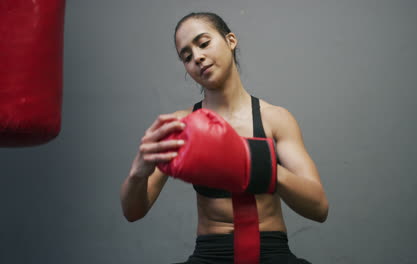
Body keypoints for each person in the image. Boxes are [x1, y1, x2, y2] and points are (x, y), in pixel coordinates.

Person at [120, 12, 329, 264]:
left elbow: (319, 208)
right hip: (211, 255)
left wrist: (255, 164)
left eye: (204, 43)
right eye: (186, 57)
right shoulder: (181, 126)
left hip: (272, 253)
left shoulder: (275, 119)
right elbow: (132, 212)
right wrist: (137, 173)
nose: (197, 57)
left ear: (230, 41)